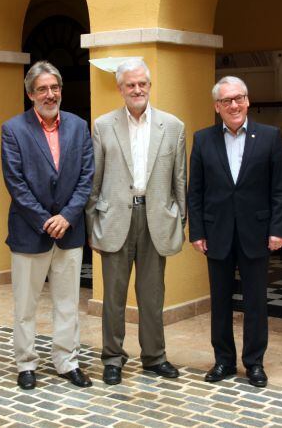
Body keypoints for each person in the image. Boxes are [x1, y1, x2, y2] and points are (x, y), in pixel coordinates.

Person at [85, 58, 186, 385]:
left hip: (156, 219)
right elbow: (94, 180)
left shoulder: (173, 126)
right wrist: (91, 226)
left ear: (149, 85)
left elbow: (179, 180)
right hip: (114, 219)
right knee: (113, 296)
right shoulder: (103, 125)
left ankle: (155, 357)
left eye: (142, 83)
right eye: (131, 85)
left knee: (152, 295)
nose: (137, 89)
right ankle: (113, 358)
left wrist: (179, 220)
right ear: (120, 88)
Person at [188, 76, 282, 387]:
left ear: (247, 101)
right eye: (226, 100)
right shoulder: (203, 139)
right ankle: (224, 361)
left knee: (256, 303)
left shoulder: (270, 137)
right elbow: (196, 191)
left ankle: (254, 363)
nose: (234, 105)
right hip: (216, 233)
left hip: (256, 233)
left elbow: (281, 190)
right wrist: (197, 231)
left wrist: (277, 229)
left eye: (239, 98)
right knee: (219, 301)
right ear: (217, 107)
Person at [1, 61, 94, 389]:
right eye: (42, 89)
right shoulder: (13, 129)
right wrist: (45, 220)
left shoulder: (79, 126)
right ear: (30, 94)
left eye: (54, 88)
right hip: (30, 232)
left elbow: (86, 177)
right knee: (25, 305)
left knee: (68, 303)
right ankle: (26, 363)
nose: (49, 94)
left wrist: (66, 216)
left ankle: (67, 361)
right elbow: (15, 182)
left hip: (69, 232)